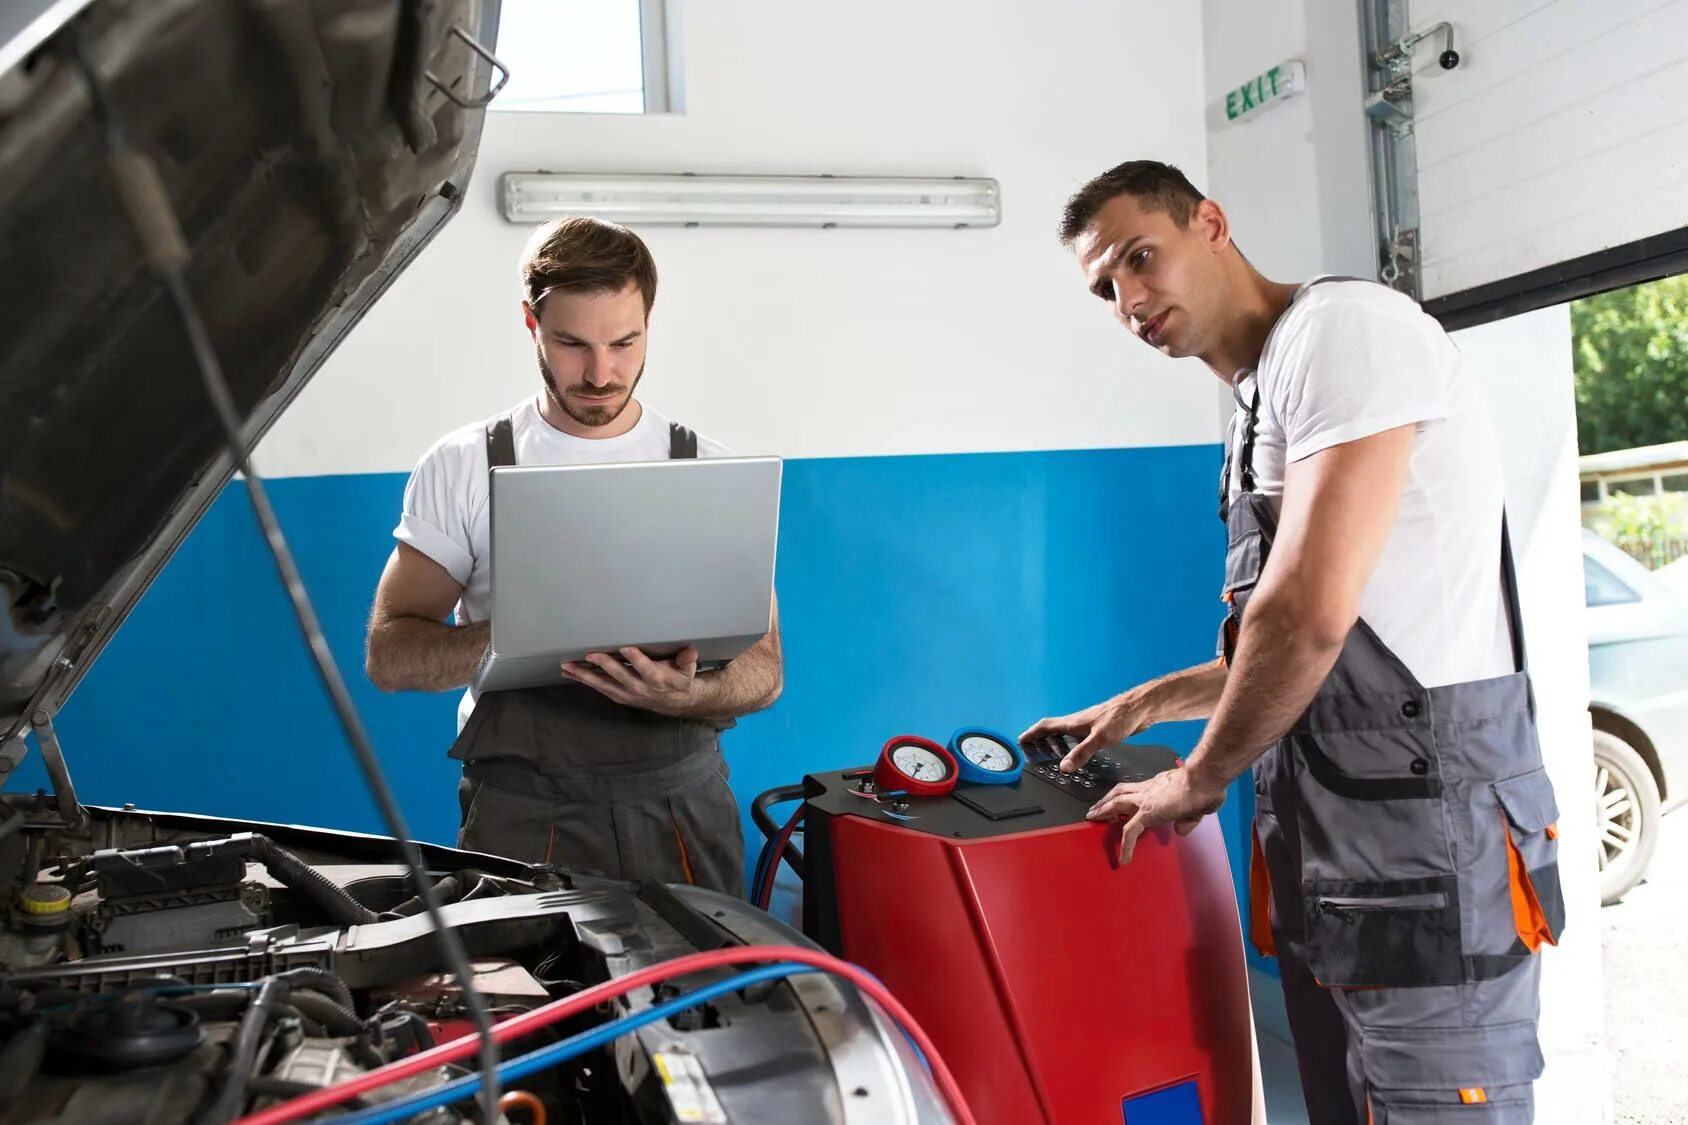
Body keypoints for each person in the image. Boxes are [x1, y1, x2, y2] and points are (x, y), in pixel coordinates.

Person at [1021, 161, 1564, 1123]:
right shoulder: (1257, 399)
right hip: (1343, 869)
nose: (1130, 298)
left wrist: (1196, 776)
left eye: (1141, 258)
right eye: (1105, 287)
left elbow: (1305, 612)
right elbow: (1307, 658)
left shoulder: (1344, 331)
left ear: (1212, 223)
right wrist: (1141, 704)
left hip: (1431, 850)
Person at [365, 217, 782, 896]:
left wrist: (691, 694)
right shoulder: (463, 466)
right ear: (531, 325)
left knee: (701, 995)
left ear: (650, 320)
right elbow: (389, 655)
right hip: (525, 816)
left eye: (624, 342)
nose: (599, 372)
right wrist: (520, 634)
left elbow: (765, 670)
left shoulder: (707, 470)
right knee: (543, 996)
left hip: (682, 809)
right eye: (571, 343)